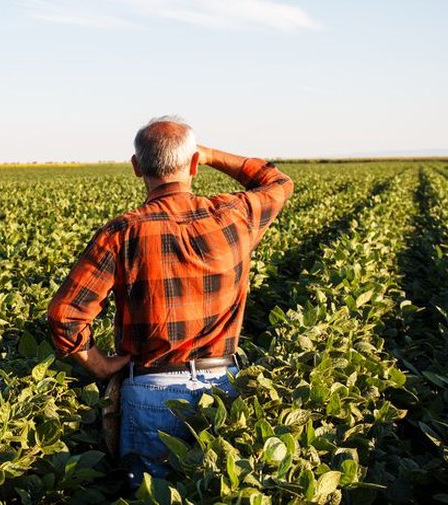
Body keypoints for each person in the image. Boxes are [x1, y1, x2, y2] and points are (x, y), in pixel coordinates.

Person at [46, 116, 294, 485]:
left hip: (149, 390)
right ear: (194, 164)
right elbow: (277, 182)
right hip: (222, 388)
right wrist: (210, 154)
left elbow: (65, 316)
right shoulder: (234, 215)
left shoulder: (122, 232)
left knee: (151, 493)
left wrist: (99, 365)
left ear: (136, 167)